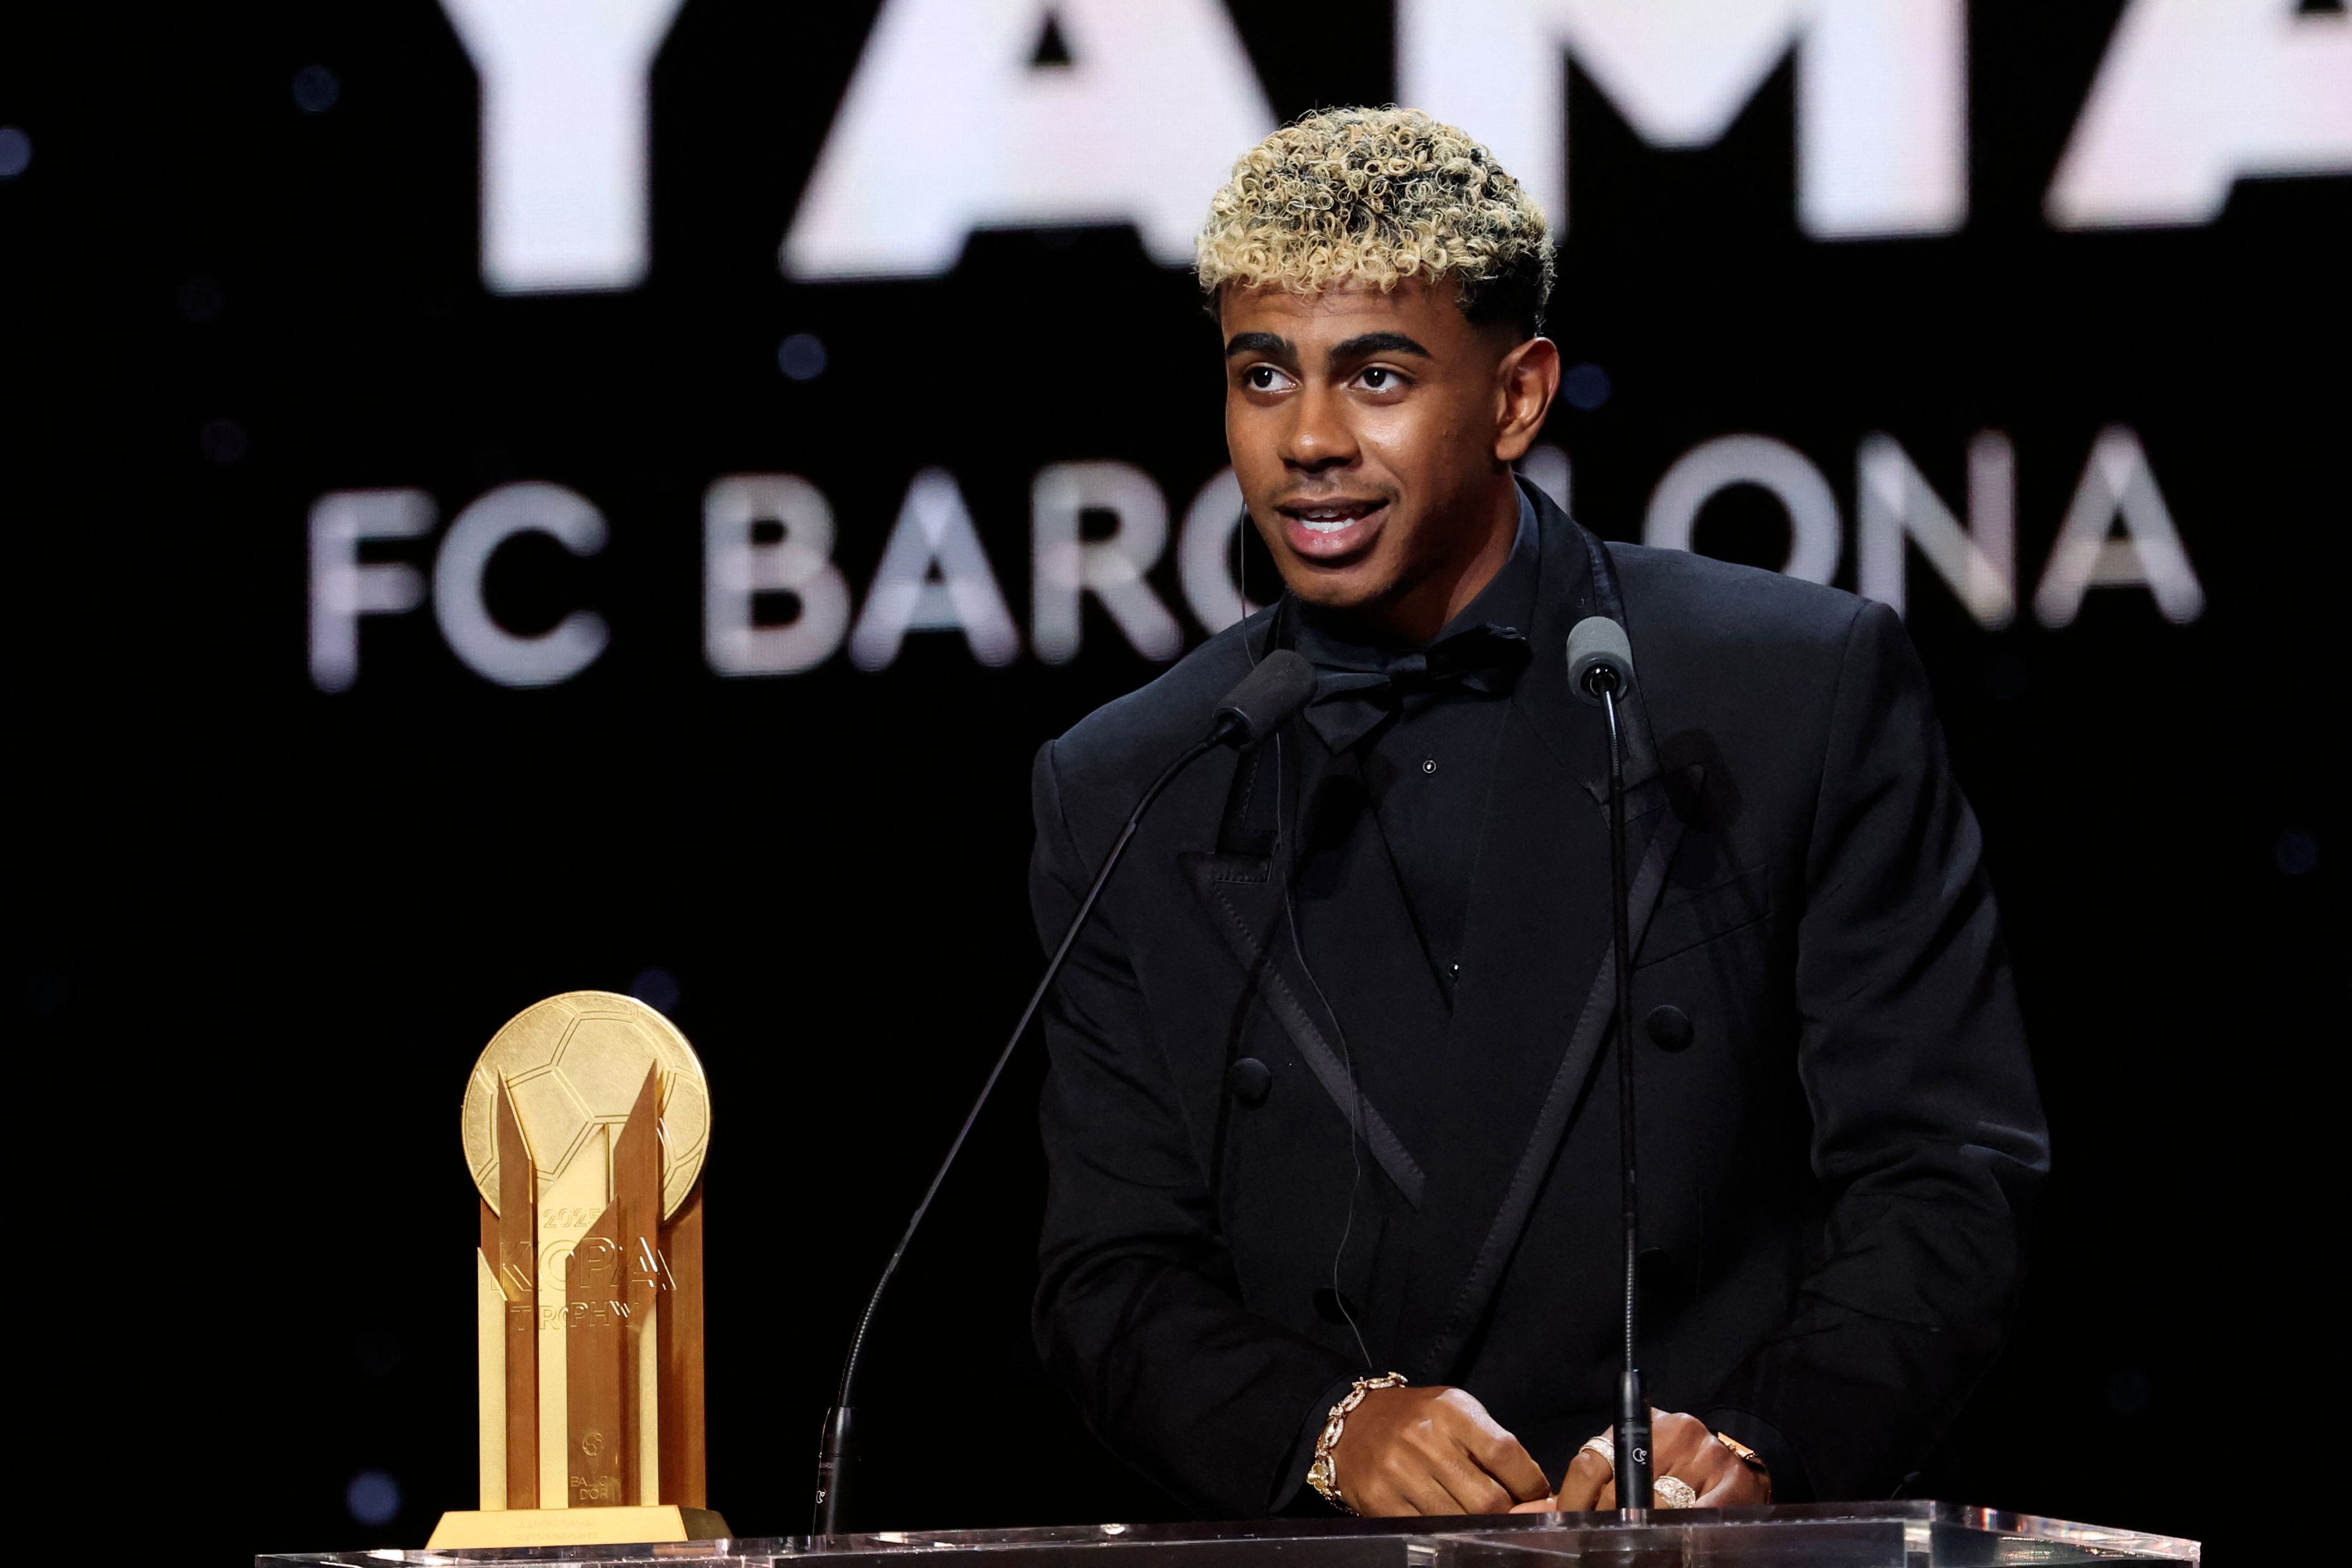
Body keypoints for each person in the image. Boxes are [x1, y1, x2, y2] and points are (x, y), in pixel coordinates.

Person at [1027, 107, 2046, 1520]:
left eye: (1376, 375)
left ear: (1516, 397)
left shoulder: (1785, 691)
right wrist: (1323, 1425)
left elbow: (1946, 1174)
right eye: (1265, 375)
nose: (1310, 438)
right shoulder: (1132, 781)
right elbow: (1110, 1274)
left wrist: (1761, 1441)